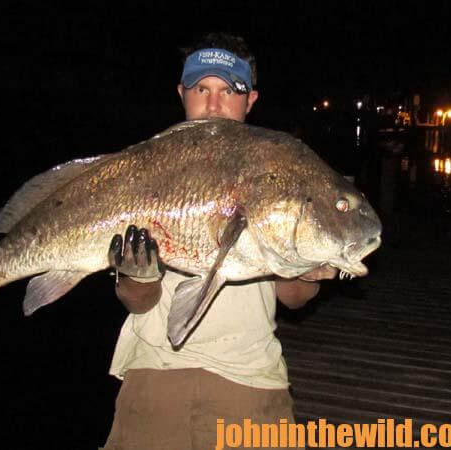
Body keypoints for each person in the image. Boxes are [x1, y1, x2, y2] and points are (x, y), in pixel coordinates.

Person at [103, 32, 337, 450]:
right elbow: (139, 302)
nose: (214, 103)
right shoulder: (144, 170)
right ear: (182, 93)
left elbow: (295, 298)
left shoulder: (278, 171)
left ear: (251, 100)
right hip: (155, 373)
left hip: (249, 379)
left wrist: (309, 263)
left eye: (230, 90)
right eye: (201, 89)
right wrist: (137, 275)